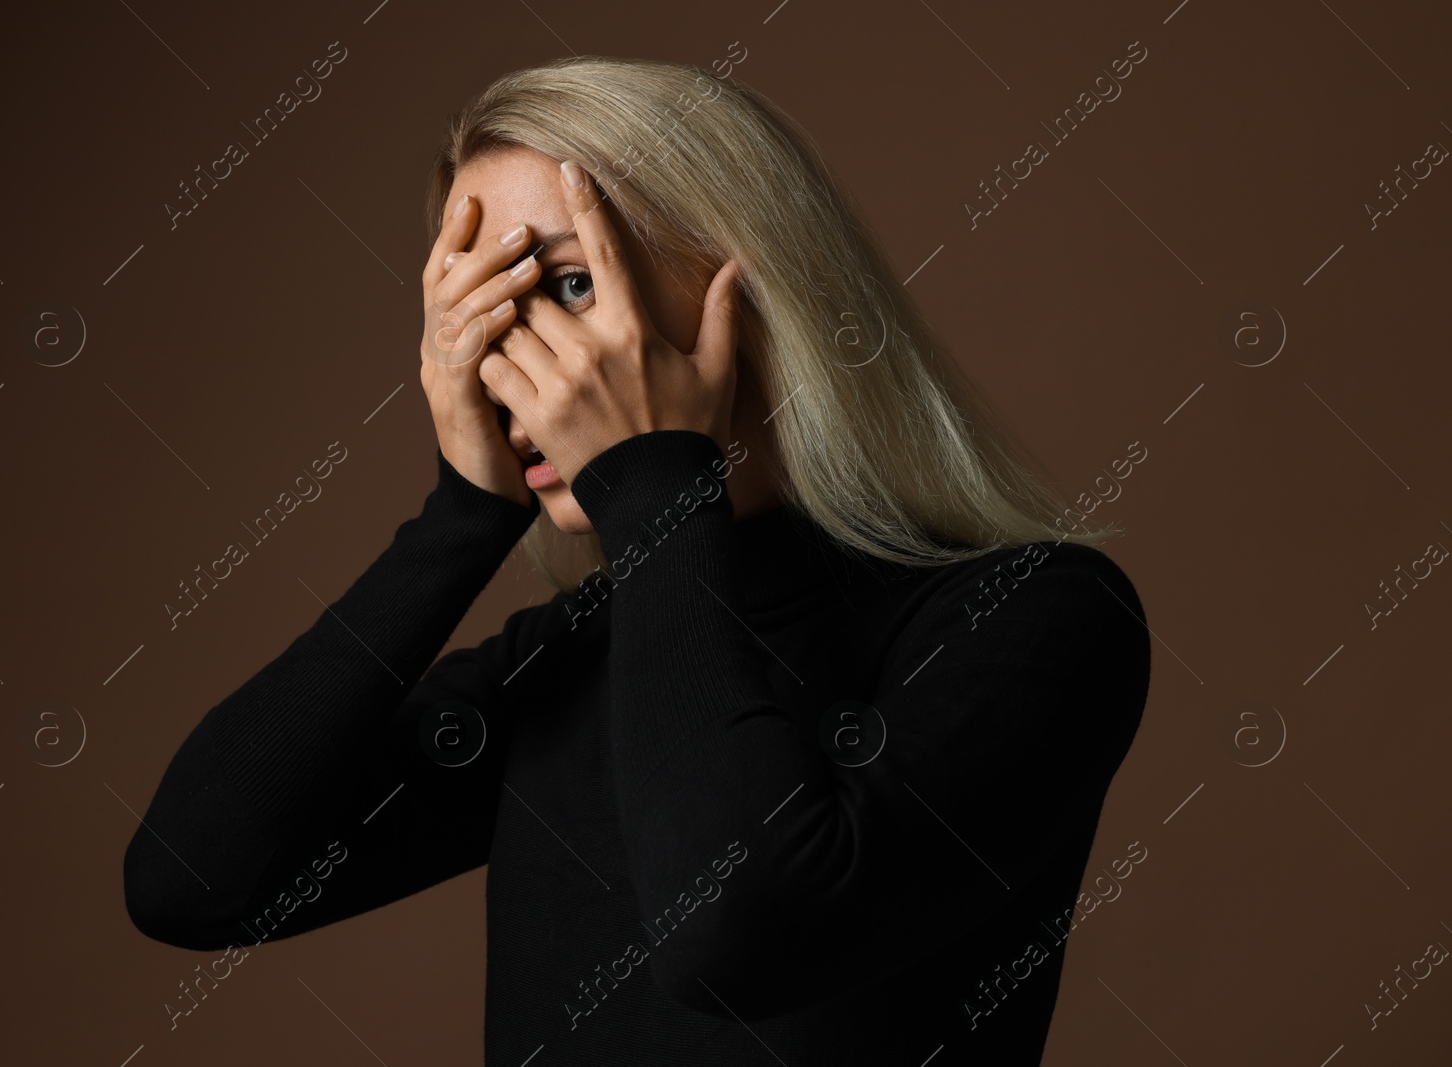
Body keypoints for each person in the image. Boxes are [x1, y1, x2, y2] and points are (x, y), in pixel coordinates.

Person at [123, 55, 1151, 1065]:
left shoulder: (1036, 618)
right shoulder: (576, 652)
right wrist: (460, 516)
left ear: (751, 291)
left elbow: (736, 933)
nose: (516, 370)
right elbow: (194, 879)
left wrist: (659, 483)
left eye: (567, 282)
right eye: (476, 309)